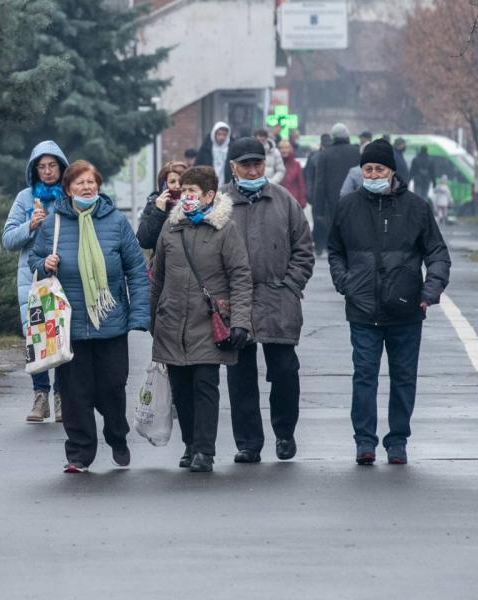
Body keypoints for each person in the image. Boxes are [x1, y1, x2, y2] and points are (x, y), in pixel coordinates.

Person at [327, 138, 451, 466]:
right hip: (363, 308)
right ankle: (364, 441)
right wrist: (345, 283)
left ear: (391, 171)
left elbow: (437, 253)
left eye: (379, 168)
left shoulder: (417, 207)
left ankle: (398, 441)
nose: (372, 173)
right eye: (367, 168)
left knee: (403, 377)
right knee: (364, 376)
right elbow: (335, 250)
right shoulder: (348, 206)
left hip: (406, 309)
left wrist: (429, 292)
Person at [32, 160, 150, 473]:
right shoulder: (53, 223)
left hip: (110, 324)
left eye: (91, 182)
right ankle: (79, 454)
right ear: (68, 188)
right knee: (74, 394)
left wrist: (139, 314)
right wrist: (46, 263)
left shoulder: (116, 222)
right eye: (80, 183)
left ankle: (117, 436)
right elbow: (35, 261)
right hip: (67, 325)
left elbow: (136, 270)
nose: (87, 187)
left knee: (112, 388)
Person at [150, 166, 254, 473]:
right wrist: (152, 318)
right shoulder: (171, 228)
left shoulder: (225, 230)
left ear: (210, 195)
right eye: (184, 191)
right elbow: (158, 276)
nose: (187, 197)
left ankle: (204, 451)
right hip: (172, 322)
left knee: (205, 385)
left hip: (209, 322)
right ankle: (190, 444)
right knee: (181, 389)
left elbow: (241, 277)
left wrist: (241, 322)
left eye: (193, 191)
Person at [220, 138, 315, 463]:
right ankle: (248, 442)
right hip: (236, 304)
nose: (252, 169)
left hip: (278, 300)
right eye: (245, 164)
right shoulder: (220, 202)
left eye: (257, 164)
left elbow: (304, 248)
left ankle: (285, 433)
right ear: (233, 167)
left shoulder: (283, 200)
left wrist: (291, 285)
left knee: (285, 372)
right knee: (240, 376)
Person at [3, 141, 68, 423]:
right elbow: (7, 239)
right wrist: (30, 225)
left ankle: (63, 397)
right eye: (41, 167)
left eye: (52, 165)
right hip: (32, 279)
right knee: (37, 337)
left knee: (64, 336)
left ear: (62, 167)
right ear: (33, 170)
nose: (47, 171)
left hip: (65, 275)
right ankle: (40, 396)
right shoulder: (25, 198)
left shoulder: (69, 195)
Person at [310, 123, 358, 256]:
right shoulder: (356, 152)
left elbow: (320, 183)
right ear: (347, 136)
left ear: (333, 137)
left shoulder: (325, 155)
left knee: (335, 227)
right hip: (354, 197)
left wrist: (318, 208)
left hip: (332, 200)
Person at [136, 160, 188, 254]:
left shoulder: (197, 203)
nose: (177, 186)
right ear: (164, 185)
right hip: (164, 263)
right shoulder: (154, 203)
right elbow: (144, 241)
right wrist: (159, 211)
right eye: (172, 182)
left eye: (181, 181)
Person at [195, 121, 233, 187]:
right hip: (209, 182)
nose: (222, 137)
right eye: (219, 134)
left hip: (226, 182)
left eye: (224, 134)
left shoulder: (231, 148)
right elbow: (198, 165)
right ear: (214, 134)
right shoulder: (206, 148)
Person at [277, 139, 308, 210]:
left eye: (286, 148)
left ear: (290, 149)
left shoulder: (296, 165)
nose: (284, 150)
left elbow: (301, 184)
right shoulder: (276, 164)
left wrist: (302, 200)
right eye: (282, 148)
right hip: (279, 201)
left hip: (294, 201)